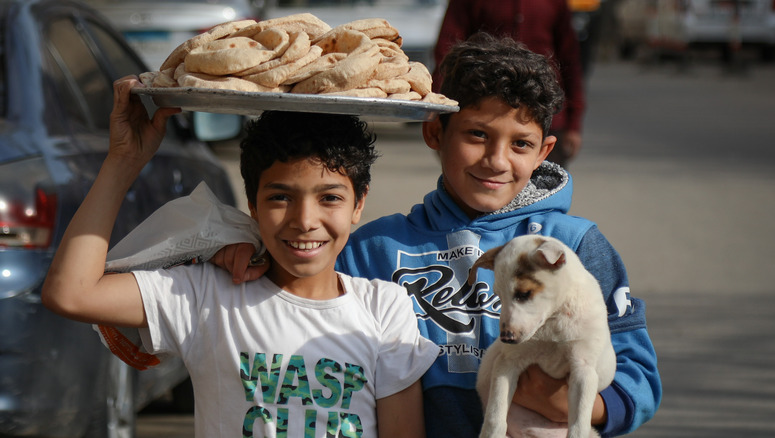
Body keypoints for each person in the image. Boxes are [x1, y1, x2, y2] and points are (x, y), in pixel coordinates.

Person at [214, 33, 661, 437]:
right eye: (477, 134)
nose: (496, 160)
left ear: (545, 150)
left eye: (520, 144)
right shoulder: (372, 249)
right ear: (434, 131)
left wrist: (574, 406)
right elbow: (292, 299)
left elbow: (636, 371)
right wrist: (245, 247)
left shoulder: (574, 248)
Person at [41, 76, 439, 438]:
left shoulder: (384, 308)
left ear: (358, 204)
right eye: (280, 197)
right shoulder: (207, 297)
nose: (304, 221)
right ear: (251, 204)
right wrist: (123, 160)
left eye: (330, 198)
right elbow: (71, 293)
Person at [432, 0, 586, 168]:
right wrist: (438, 112)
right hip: (483, 115)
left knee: (542, 190)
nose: (499, 162)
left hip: (545, 115)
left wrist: (574, 123)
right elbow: (447, 55)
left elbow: (570, 60)